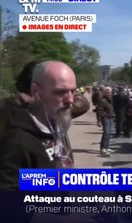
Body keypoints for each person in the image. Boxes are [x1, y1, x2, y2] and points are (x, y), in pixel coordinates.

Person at [0, 61, 77, 190]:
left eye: (73, 91)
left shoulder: (54, 123)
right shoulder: (19, 141)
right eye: (60, 92)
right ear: (35, 91)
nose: (70, 100)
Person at [97, 86, 114, 155]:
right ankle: (102, 148)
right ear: (105, 92)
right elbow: (99, 110)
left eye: (110, 92)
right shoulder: (102, 100)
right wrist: (99, 120)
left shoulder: (110, 99)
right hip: (105, 117)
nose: (109, 93)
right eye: (108, 92)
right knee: (106, 132)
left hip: (110, 117)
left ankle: (107, 147)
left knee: (109, 133)